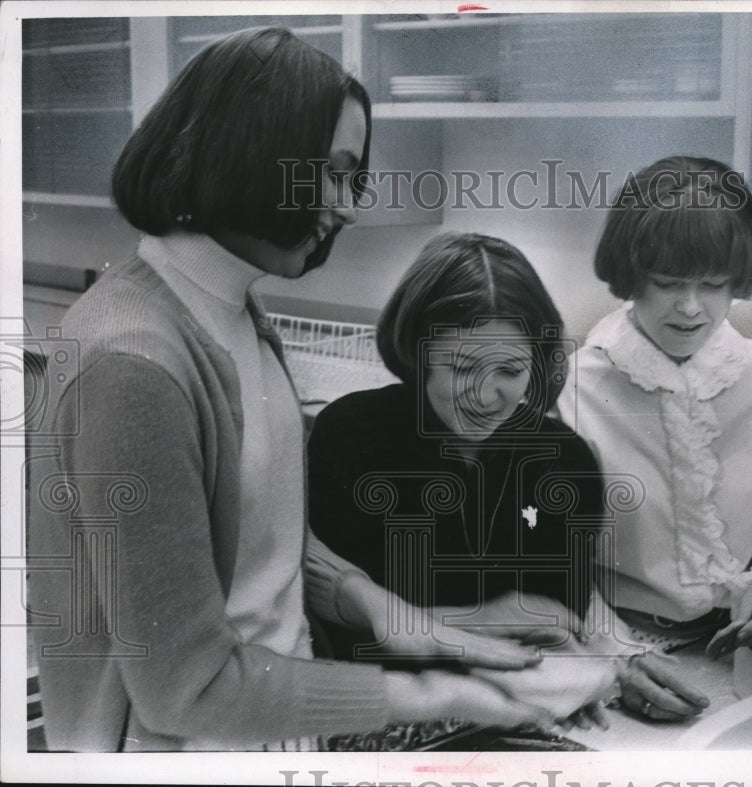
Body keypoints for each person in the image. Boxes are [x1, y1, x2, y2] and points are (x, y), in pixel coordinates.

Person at [27, 28, 551, 753]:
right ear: (248, 153)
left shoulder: (232, 308)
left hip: (265, 735)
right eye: (329, 174)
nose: (344, 204)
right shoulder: (134, 361)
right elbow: (189, 687)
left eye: (350, 178)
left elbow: (248, 541)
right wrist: (444, 693)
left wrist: (401, 617)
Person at [558, 156, 752, 721]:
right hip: (611, 650)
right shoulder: (572, 389)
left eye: (712, 285)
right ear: (632, 278)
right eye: (666, 284)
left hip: (740, 652)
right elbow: (541, 559)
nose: (690, 307)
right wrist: (609, 656)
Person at [308, 232, 619, 721]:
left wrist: (584, 665)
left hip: (517, 704)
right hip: (383, 705)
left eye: (510, 371)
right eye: (462, 366)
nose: (483, 396)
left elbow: (558, 623)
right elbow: (338, 629)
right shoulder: (350, 434)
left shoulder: (565, 461)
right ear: (420, 352)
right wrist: (493, 620)